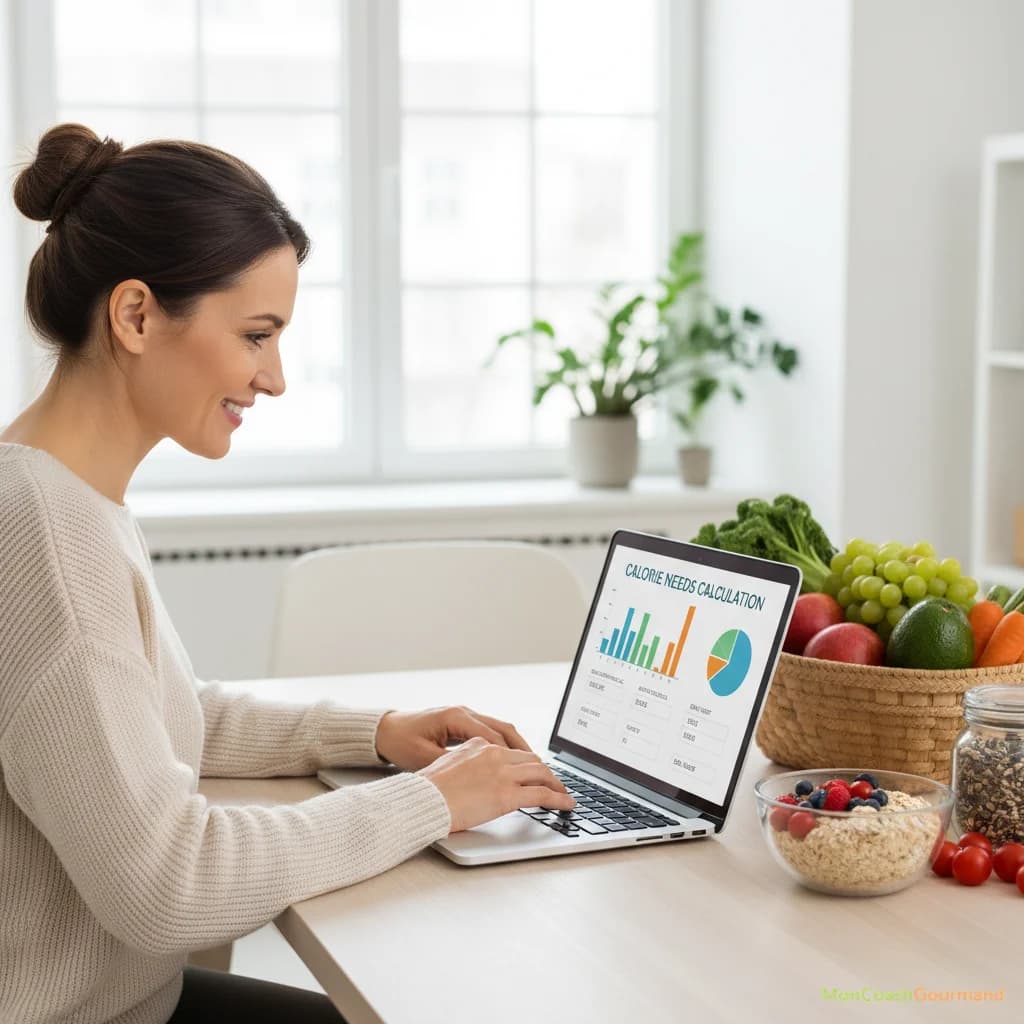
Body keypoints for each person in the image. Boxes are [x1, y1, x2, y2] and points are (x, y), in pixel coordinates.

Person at [0, 123, 576, 1024]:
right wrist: (429, 804)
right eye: (257, 335)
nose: (274, 379)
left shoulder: (59, 494)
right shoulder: (44, 533)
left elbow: (161, 715)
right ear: (137, 315)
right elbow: (167, 884)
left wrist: (380, 733)